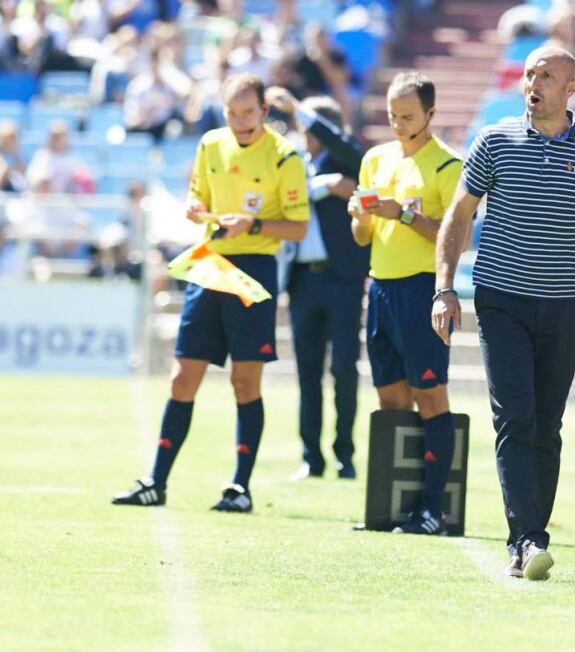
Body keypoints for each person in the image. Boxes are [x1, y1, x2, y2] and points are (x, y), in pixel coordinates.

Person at [432, 47, 575, 579]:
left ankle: (529, 538)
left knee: (547, 426)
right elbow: (459, 216)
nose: (534, 83)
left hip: (566, 305)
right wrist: (444, 287)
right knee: (515, 419)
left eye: (547, 76)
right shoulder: (494, 141)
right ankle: (527, 540)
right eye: (529, 74)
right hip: (501, 299)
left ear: (571, 89)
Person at [112, 73, 310, 512]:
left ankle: (240, 488)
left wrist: (253, 224)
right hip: (210, 262)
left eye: (248, 112)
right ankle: (155, 481)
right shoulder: (210, 145)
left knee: (245, 381)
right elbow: (197, 199)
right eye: (232, 112)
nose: (240, 121)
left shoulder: (284, 157)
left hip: (253, 270)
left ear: (264, 110)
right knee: (183, 376)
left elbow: (298, 226)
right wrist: (195, 210)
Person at [347, 71, 462, 535]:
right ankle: (391, 507)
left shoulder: (447, 166)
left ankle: (433, 510)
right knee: (390, 398)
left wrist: (405, 213)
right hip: (380, 287)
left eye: (407, 116)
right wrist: (358, 215)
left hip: (422, 289)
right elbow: (361, 238)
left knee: (430, 396)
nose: (397, 123)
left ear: (430, 114)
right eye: (392, 115)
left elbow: (454, 237)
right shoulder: (375, 159)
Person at [266, 86, 368, 481]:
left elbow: (344, 149)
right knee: (307, 372)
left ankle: (345, 453)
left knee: (344, 368)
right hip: (303, 280)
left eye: (309, 126)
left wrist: (302, 109)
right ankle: (311, 456)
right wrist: (325, 185)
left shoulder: (350, 158)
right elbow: (280, 199)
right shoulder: (295, 163)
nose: (303, 133)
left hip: (342, 279)